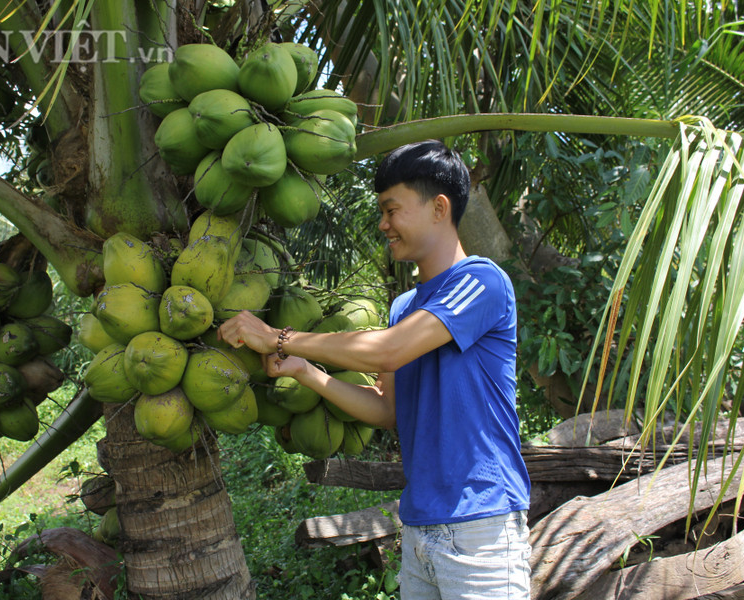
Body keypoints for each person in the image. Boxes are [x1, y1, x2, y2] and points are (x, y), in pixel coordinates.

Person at [218, 139, 531, 599]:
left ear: (439, 208)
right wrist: (308, 372)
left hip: (480, 528)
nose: (383, 224)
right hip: (422, 526)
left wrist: (279, 337)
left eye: (392, 210)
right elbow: (388, 410)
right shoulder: (405, 306)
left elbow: (388, 352)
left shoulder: (481, 282)